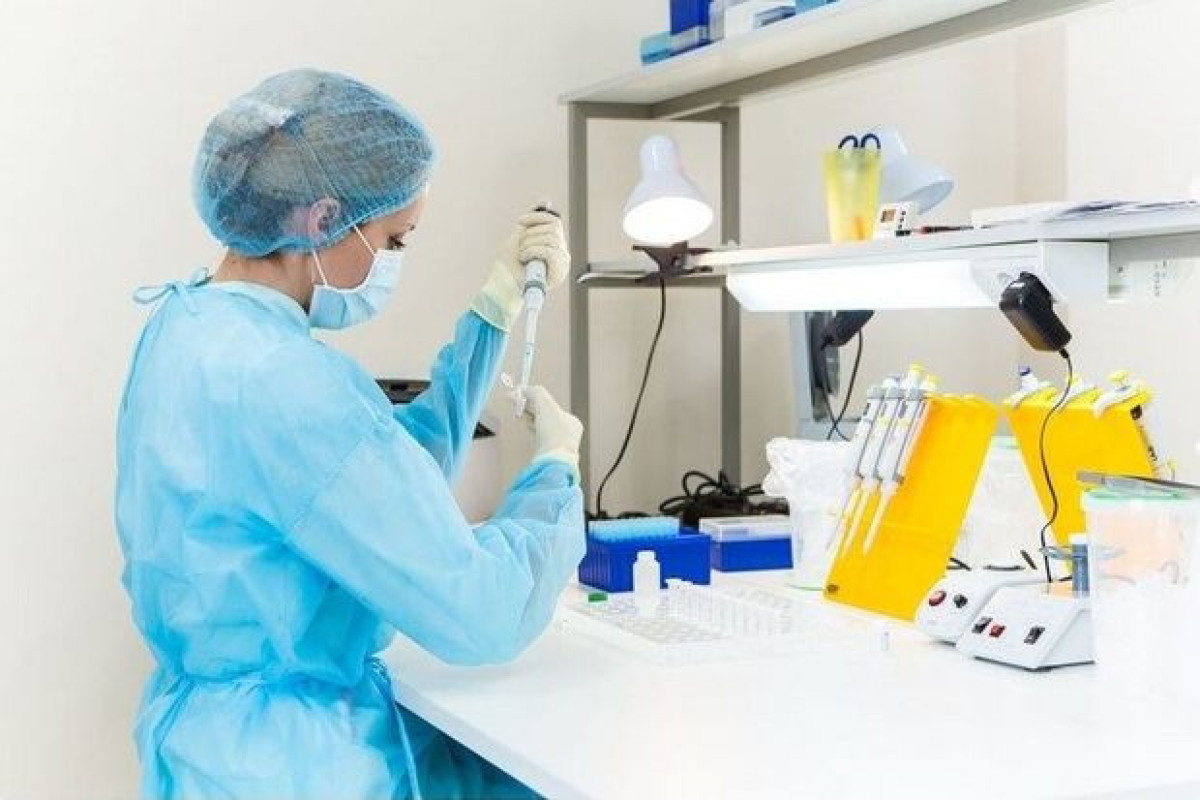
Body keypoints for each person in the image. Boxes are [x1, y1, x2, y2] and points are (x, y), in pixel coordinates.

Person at [115, 68, 585, 799]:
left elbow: (374, 481)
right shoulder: (288, 382)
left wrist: (493, 312)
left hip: (208, 750)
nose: (394, 260)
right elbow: (480, 612)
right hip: (301, 765)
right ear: (323, 218)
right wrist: (555, 473)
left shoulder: (184, 326)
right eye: (395, 239)